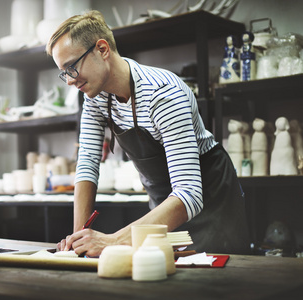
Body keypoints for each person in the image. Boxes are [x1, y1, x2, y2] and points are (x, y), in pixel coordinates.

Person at [46, 10, 251, 257]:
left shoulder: (162, 95)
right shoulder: (95, 97)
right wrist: (77, 240)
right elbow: (87, 164)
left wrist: (114, 241)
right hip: (163, 207)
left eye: (72, 67)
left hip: (210, 200)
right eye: (64, 73)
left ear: (102, 50)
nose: (69, 81)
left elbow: (189, 194)